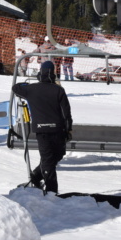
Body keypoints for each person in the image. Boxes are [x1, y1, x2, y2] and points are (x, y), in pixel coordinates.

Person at [12, 61, 73, 193]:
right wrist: (68, 129)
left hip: (42, 131)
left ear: (40, 73)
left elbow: (16, 87)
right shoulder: (58, 90)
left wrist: (26, 84)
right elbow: (66, 112)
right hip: (58, 130)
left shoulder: (31, 89)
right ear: (54, 73)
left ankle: (37, 176)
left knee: (49, 159)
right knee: (54, 157)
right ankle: (51, 191)